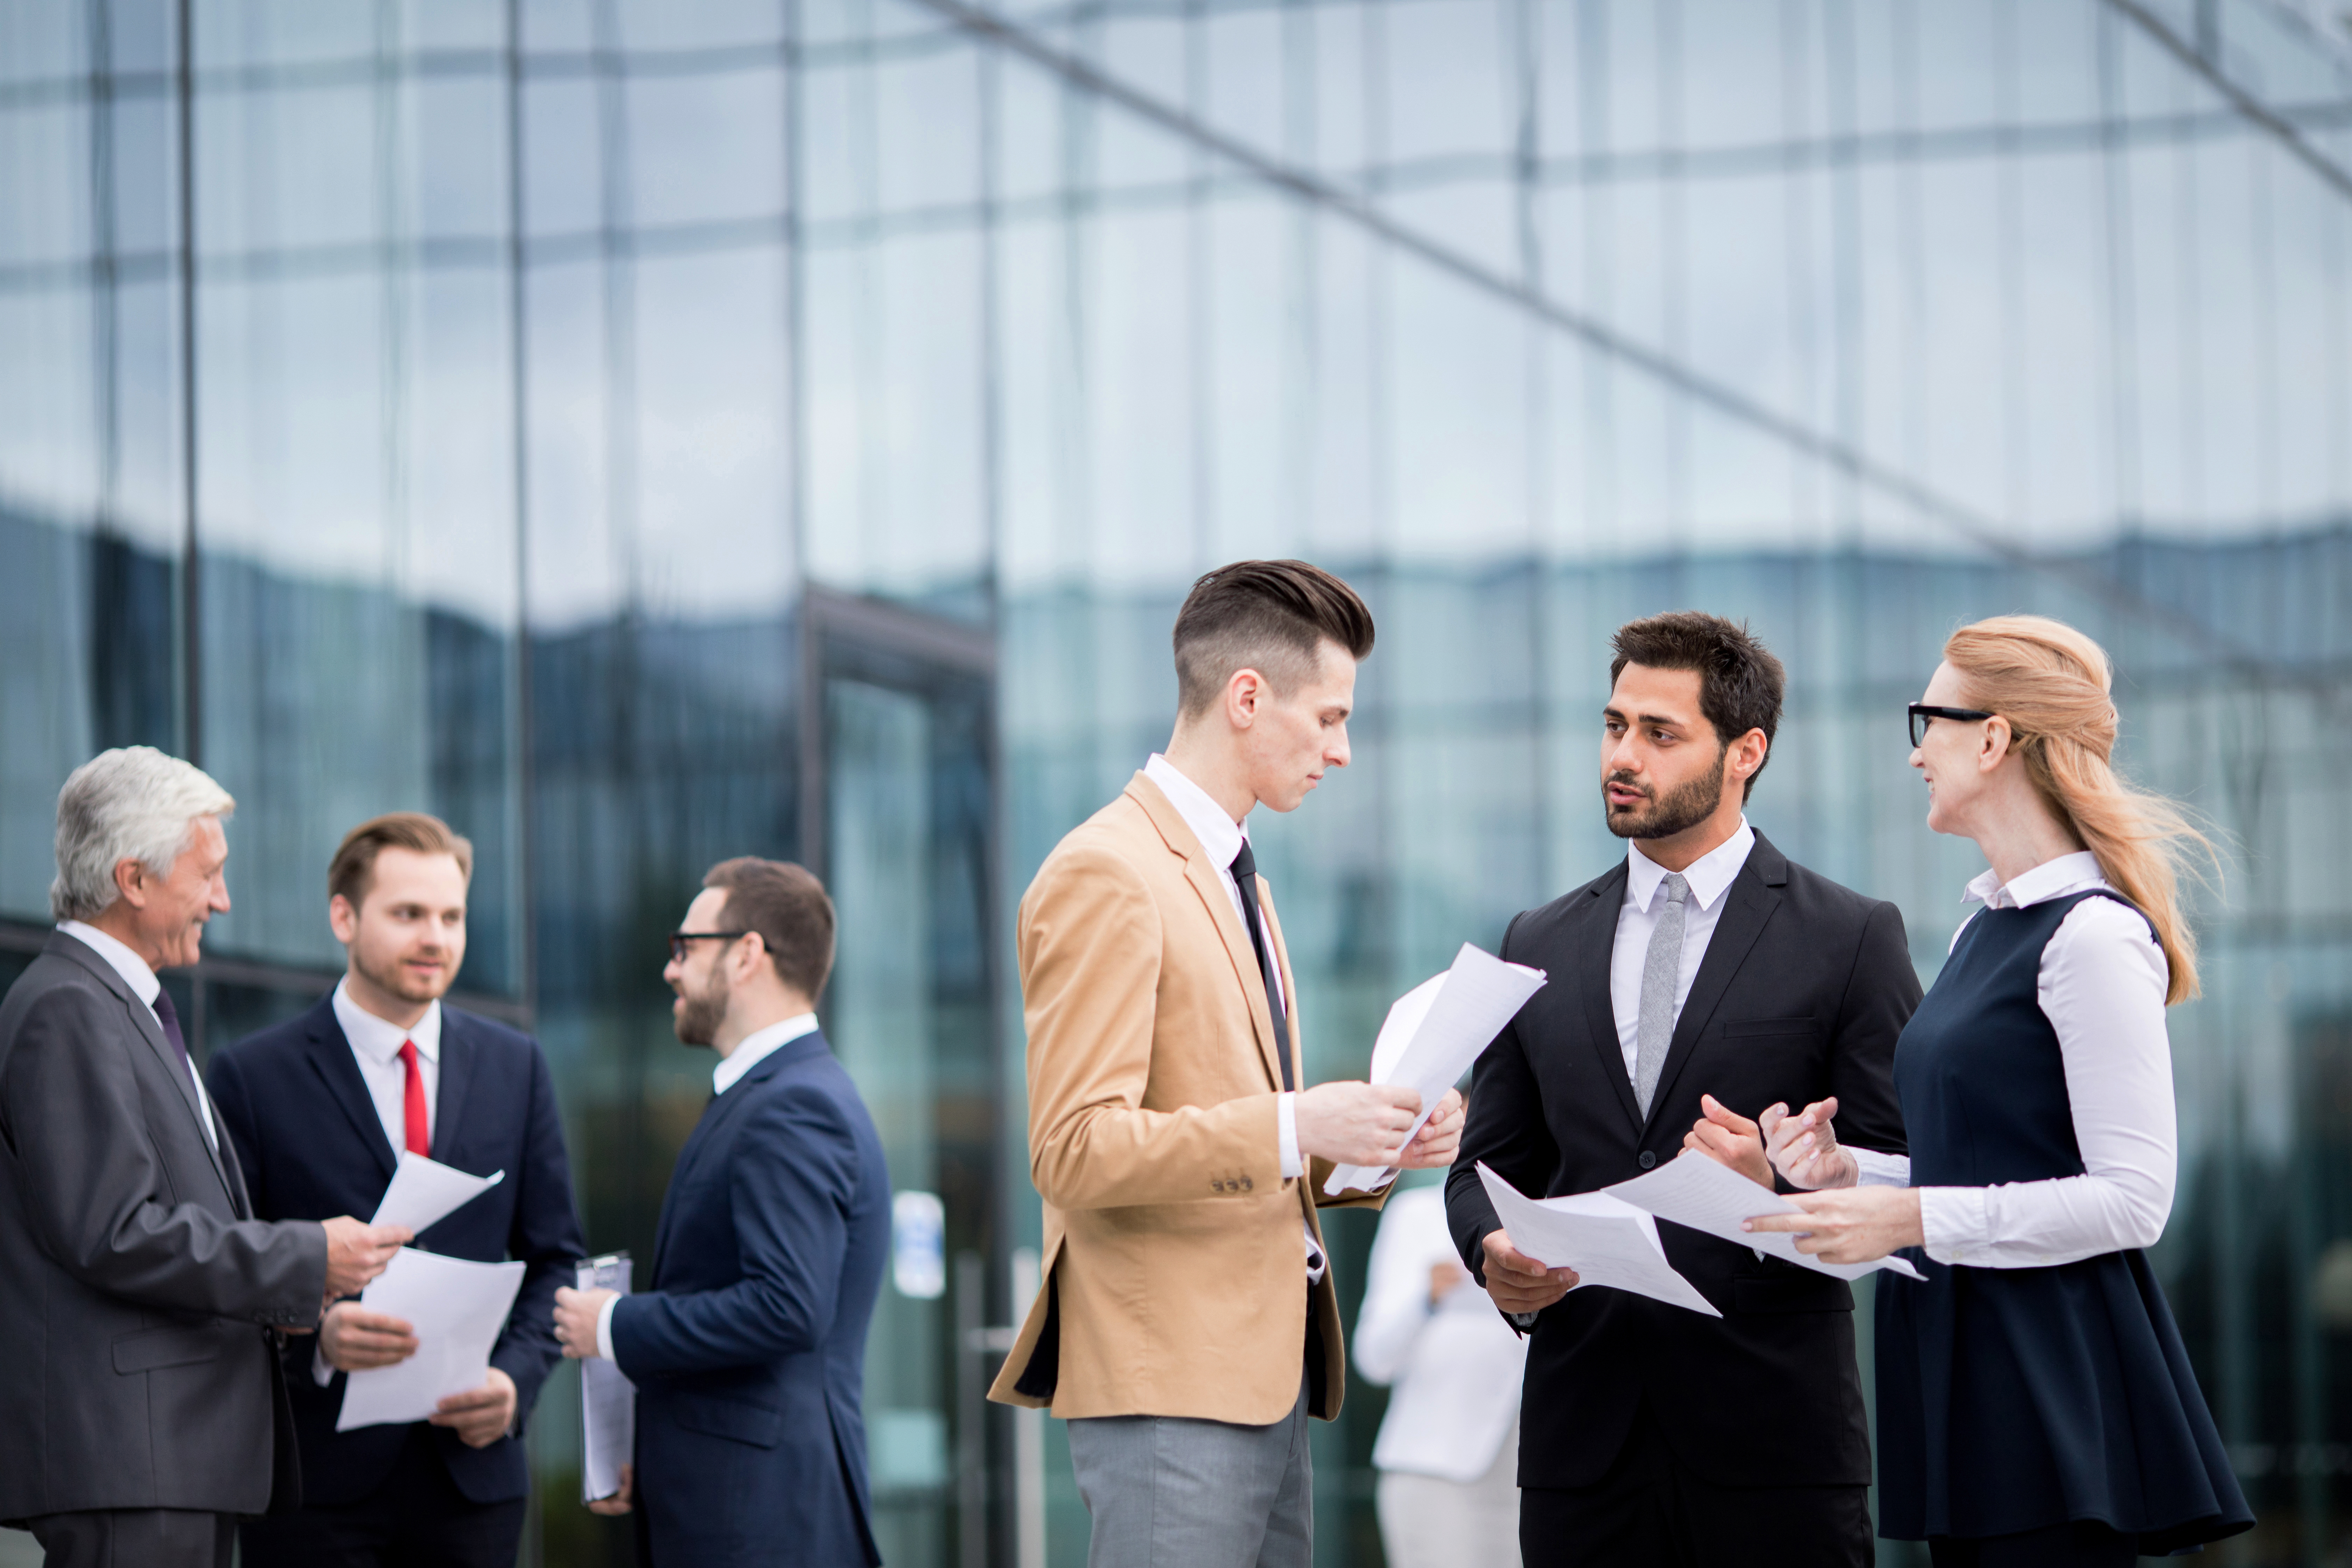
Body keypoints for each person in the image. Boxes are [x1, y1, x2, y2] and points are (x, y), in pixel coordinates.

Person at [1741, 615, 2255, 1564]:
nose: (1916, 754)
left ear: (1992, 738)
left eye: (1927, 721)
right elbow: (1987, 1164)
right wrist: (1849, 1174)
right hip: (1968, 1374)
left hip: (2047, 1387)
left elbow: (2134, 1201)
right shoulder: (1980, 928)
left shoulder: (2094, 936)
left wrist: (1909, 1218)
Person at [986, 559, 1468, 1568]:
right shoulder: (1107, 871)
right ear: (1247, 698)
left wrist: (1369, 1144)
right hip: (1171, 1390)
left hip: (1263, 1383)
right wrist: (1299, 1123)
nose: (1341, 751)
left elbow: (1240, 1136)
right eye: (1329, 719)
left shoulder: (1238, 876)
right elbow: (1072, 1148)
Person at [1444, 612, 1921, 1568]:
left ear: (1746, 752)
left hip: (1775, 1452)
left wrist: (1781, 1183)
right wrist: (1492, 1252)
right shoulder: (1536, 939)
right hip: (1584, 1453)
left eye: (1661, 734)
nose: (1624, 756)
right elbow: (1483, 1168)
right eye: (1615, 726)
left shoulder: (1850, 938)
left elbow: (1911, 1176)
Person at [0, 748, 408, 1568]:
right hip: (131, 1461)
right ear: (133, 879)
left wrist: (290, 1293)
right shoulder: (69, 1008)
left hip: (162, 1457)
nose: (222, 901)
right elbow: (114, 1232)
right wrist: (306, 1256)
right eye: (208, 874)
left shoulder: (118, 1004)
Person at [204, 812, 587, 1567]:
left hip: (474, 1484)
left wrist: (514, 1383)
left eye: (452, 917)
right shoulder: (252, 1076)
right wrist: (316, 1333)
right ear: (343, 917)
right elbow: (223, 1268)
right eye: (409, 913)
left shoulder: (518, 1067)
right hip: (315, 1489)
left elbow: (557, 1261)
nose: (436, 938)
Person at [552, 857, 889, 1568]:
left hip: (761, 1521)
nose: (670, 970)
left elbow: (788, 1307)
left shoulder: (793, 1104)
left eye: (685, 947)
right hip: (746, 1507)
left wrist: (613, 1324)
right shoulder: (775, 1094)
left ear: (746, 954)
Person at [1352, 1176, 1527, 1568]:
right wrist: (1427, 1297)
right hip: (1437, 1466)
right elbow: (1374, 1359)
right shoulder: (1416, 1214)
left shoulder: (1545, 1212)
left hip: (1530, 1470)